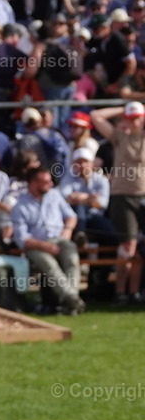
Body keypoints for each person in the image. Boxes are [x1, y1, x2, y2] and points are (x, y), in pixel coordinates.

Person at [11, 166, 84, 314]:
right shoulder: (20, 206)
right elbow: (22, 239)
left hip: (60, 240)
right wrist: (44, 246)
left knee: (72, 259)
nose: (50, 184)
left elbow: (71, 216)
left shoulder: (55, 195)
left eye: (49, 181)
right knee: (50, 265)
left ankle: (71, 302)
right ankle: (72, 299)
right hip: (36, 246)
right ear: (33, 183)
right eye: (45, 182)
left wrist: (67, 230)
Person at [91, 102, 145, 303]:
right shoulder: (120, 137)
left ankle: (135, 292)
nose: (135, 121)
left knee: (138, 249)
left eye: (138, 117)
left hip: (143, 195)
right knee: (128, 246)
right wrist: (124, 109)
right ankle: (122, 292)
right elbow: (96, 115)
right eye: (132, 118)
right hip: (122, 196)